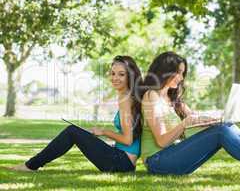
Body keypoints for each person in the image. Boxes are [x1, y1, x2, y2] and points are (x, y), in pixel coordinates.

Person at [140, 51, 240, 178]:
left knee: (223, 126)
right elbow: (161, 141)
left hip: (172, 157)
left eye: (183, 73)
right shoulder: (151, 96)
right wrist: (184, 123)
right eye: (178, 72)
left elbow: (199, 120)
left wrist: (234, 113)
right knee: (221, 131)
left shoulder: (174, 100)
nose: (181, 78)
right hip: (157, 161)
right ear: (164, 71)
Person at [12, 55, 143, 173]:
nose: (115, 78)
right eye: (113, 73)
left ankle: (30, 166)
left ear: (130, 76)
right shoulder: (129, 97)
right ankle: (31, 164)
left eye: (121, 74)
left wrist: (103, 132)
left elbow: (128, 140)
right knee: (75, 132)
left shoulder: (126, 100)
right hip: (122, 159)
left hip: (120, 162)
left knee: (72, 132)